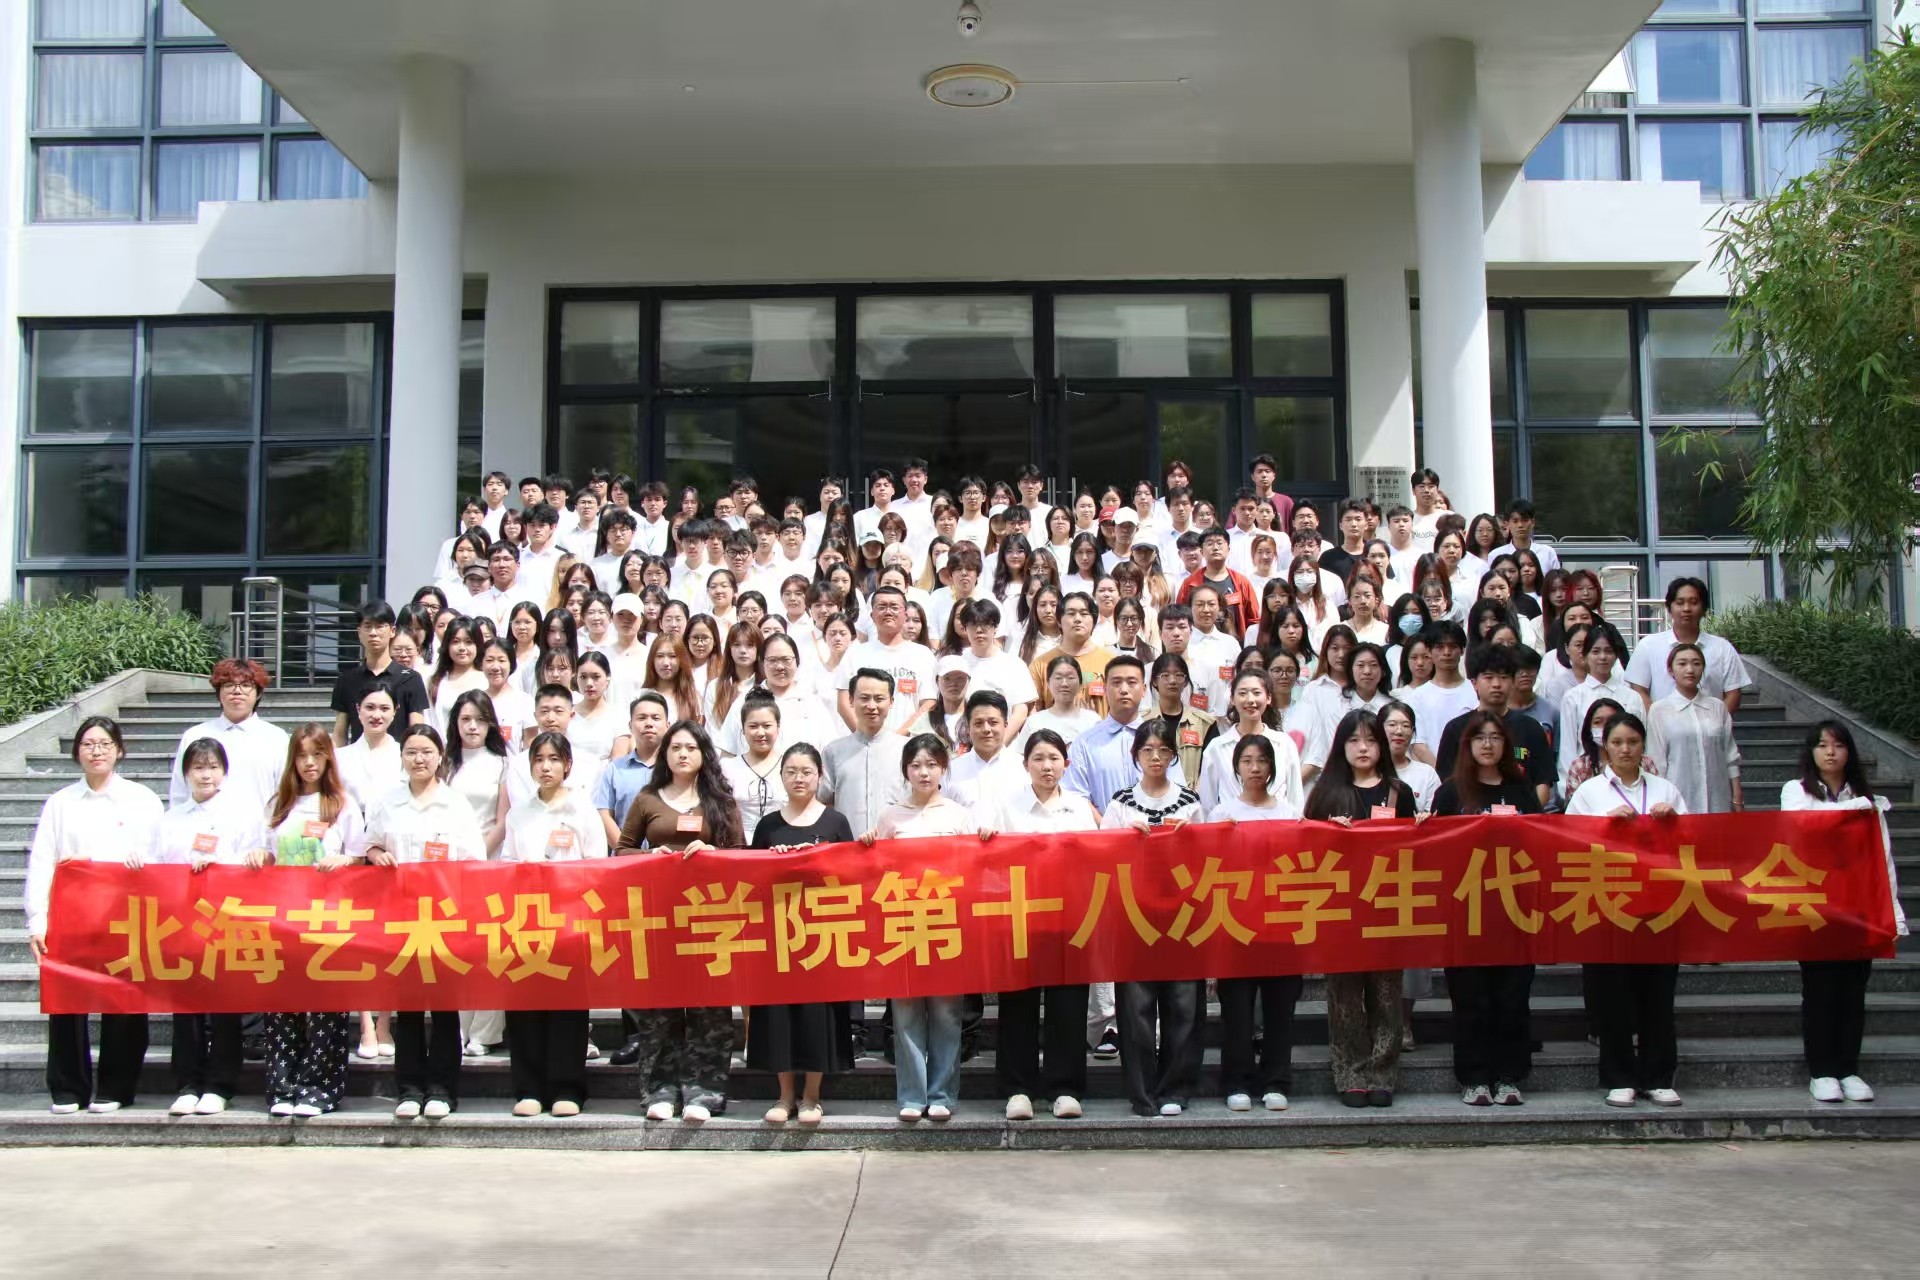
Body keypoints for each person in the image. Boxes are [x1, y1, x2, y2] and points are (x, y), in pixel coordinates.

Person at [29, 717, 164, 1114]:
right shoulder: (61, 803)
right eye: (88, 744)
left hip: (125, 914)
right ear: (77, 752)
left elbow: (162, 855)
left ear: (119, 750)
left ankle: (116, 1087)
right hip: (72, 916)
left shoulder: (141, 799)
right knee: (66, 1001)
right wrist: (37, 919)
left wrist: (143, 862)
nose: (96, 751)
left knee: (123, 1000)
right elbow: (42, 862)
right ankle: (68, 1087)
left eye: (105, 743)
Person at [617, 721, 743, 1122]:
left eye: (690, 747)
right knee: (659, 1008)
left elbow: (741, 855)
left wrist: (712, 853)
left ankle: (705, 1090)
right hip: (658, 917)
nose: (683, 754)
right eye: (675, 748)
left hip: (709, 918)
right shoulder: (647, 798)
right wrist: (648, 857)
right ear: (665, 754)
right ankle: (660, 1089)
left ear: (704, 754)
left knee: (710, 1009)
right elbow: (621, 851)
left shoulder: (720, 801)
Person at [362, 724, 489, 1118]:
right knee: (409, 1008)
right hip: (400, 919)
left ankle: (442, 1090)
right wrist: (376, 854)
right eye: (411, 752)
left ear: (439, 757)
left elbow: (474, 861)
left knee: (445, 1009)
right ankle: (409, 1089)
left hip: (445, 919)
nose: (419, 759)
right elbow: (369, 843)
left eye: (426, 752)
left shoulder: (454, 804)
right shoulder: (389, 801)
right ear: (402, 757)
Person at [1565, 711, 1688, 1109]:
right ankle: (1618, 1077)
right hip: (1607, 903)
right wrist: (1603, 825)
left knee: (1658, 996)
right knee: (1612, 996)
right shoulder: (1590, 792)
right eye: (1617, 742)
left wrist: (1673, 823)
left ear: (1643, 746)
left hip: (1658, 906)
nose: (1625, 749)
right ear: (1605, 747)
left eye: (1633, 742)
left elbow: (1692, 841)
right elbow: (1567, 842)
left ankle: (1658, 1076)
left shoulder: (1666, 789)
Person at [980, 729, 1101, 1121]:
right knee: (1018, 1005)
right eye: (1039, 758)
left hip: (1070, 919)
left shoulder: (1080, 809)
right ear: (1025, 764)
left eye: (1054, 758)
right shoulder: (1007, 807)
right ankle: (1018, 1088)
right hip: (1021, 918)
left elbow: (1096, 860)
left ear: (1066, 763)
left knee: (1069, 1005)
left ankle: (1064, 1088)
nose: (1047, 766)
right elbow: (991, 862)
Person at [1783, 721, 1906, 1103]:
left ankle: (1848, 1068)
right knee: (1820, 990)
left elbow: (1882, 855)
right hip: (1815, 905)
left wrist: (1891, 910)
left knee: (1853, 991)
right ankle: (1821, 1071)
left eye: (1838, 745)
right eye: (1822, 745)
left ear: (1849, 752)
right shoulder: (1796, 791)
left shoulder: (1865, 798)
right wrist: (1856, 810)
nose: (1830, 752)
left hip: (1857, 904)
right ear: (1812, 752)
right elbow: (1806, 828)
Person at [1305, 709, 1419, 1108]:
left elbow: (1415, 850)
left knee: (1386, 995)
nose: (1363, 748)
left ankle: (1382, 1073)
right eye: (1354, 740)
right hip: (1340, 908)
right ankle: (1350, 1072)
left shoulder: (1399, 792)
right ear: (1341, 746)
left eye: (1370, 740)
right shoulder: (1325, 792)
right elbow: (1306, 851)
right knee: (1345, 997)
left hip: (1387, 905)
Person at [864, 734, 979, 1122]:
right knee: (906, 1014)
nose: (924, 772)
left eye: (931, 764)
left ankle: (942, 1093)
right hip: (903, 925)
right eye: (916, 765)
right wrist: (868, 844)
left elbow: (973, 868)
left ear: (943, 769)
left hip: (946, 924)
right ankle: (912, 1095)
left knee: (947, 1013)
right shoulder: (890, 817)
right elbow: (874, 871)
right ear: (905, 771)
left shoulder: (958, 815)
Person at [1432, 710, 1544, 1107]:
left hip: (1514, 908)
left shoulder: (1521, 789)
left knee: (1512, 997)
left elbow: (1539, 842)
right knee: (1471, 999)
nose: (1487, 744)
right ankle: (1474, 1077)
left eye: (1495, 737)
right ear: (1467, 745)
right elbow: (1436, 851)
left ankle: (1509, 1076)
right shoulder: (1451, 792)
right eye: (1480, 737)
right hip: (1465, 909)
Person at [746, 743, 857, 1126]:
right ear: (781, 776)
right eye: (791, 771)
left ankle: (812, 1096)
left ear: (819, 776)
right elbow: (751, 879)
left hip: (821, 933)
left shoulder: (836, 822)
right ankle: (784, 1096)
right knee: (778, 1016)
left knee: (817, 1016)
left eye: (806, 771)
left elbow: (850, 876)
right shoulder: (768, 826)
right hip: (777, 934)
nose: (799, 778)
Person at [1099, 718, 1205, 1116]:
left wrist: (1189, 838)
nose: (1155, 757)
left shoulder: (1189, 802)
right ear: (1135, 755)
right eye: (1147, 750)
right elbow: (1102, 860)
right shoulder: (1121, 804)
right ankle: (1142, 1092)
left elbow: (1206, 862)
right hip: (1134, 917)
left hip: (1182, 917)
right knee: (1135, 1010)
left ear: (1174, 755)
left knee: (1183, 1006)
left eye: (1163, 750)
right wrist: (1126, 840)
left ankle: (1175, 1089)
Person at [501, 732, 609, 1118]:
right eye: (539, 759)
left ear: (568, 765)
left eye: (553, 759)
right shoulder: (519, 813)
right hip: (526, 921)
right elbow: (507, 863)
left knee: (568, 1008)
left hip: (570, 920)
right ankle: (529, 1087)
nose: (546, 767)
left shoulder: (582, 811)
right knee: (525, 1006)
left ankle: (568, 1087)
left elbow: (597, 865)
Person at [154, 738, 264, 1117]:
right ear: (186, 773)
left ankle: (220, 1084)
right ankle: (188, 1083)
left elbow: (254, 863)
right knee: (185, 1008)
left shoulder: (241, 815)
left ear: (224, 772)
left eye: (213, 767)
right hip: (181, 922)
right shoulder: (171, 819)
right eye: (198, 767)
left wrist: (218, 864)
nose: (206, 775)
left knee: (224, 1007)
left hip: (224, 921)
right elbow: (157, 867)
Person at [259, 724, 364, 1116]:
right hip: (283, 919)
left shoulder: (341, 804)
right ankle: (282, 1087)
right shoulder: (278, 805)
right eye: (302, 756)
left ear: (327, 759)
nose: (309, 763)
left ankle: (319, 1088)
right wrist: (259, 857)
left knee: (325, 1007)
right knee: (281, 1006)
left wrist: (344, 860)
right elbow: (265, 851)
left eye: (316, 755)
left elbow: (360, 856)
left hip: (327, 920)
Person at [1208, 734, 1303, 1112]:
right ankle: (1237, 1081)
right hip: (1235, 924)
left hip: (1281, 923)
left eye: (1262, 760)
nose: (1255, 768)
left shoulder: (1290, 813)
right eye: (1247, 761)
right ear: (1236, 767)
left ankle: (1276, 1080)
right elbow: (1211, 873)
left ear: (1273, 767)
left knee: (1280, 1008)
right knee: (1237, 1011)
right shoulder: (1222, 815)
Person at [166, 658, 289, 817]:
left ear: (258, 693)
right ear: (219, 692)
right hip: (204, 828)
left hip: (259, 828)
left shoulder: (276, 738)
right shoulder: (196, 735)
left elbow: (285, 791)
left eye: (246, 685)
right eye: (229, 685)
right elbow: (179, 792)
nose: (237, 691)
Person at [1063, 655, 1185, 814]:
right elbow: (1076, 797)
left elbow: (1177, 791)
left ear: (1144, 689)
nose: (1124, 690)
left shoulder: (1162, 740)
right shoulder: (1084, 743)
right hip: (1103, 829)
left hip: (1155, 827)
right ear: (1105, 689)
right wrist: (1108, 825)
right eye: (1116, 683)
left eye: (1131, 682)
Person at [1625, 577, 1750, 714]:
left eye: (1694, 602)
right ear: (1669, 608)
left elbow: (1733, 693)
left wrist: (1717, 722)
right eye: (1680, 603)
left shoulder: (1722, 648)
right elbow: (1639, 690)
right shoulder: (1648, 645)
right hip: (1661, 725)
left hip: (1711, 725)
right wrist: (1658, 721)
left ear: (1704, 609)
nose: (1686, 608)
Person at [1645, 642, 1743, 816]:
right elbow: (1657, 761)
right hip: (1677, 798)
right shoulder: (1659, 710)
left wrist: (1737, 796)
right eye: (1682, 664)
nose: (1690, 669)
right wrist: (1660, 800)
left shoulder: (1717, 707)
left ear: (1703, 668)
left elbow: (1730, 755)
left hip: (1718, 796)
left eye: (1696, 663)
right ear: (1671, 670)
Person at [1195, 669, 1305, 815]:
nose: (1250, 700)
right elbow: (1208, 805)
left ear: (1268, 698)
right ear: (1232, 699)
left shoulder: (1284, 744)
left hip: (1278, 825)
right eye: (1242, 693)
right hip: (1232, 825)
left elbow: (1296, 800)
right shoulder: (1216, 748)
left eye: (1257, 693)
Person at [330, 601, 430, 745]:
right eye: (367, 626)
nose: (373, 633)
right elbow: (340, 734)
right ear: (359, 632)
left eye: (379, 626)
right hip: (359, 757)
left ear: (392, 631)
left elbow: (417, 731)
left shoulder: (410, 678)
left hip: (397, 757)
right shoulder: (346, 680)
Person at [721, 690, 787, 841]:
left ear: (778, 727)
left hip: (782, 847)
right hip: (738, 846)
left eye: (767, 726)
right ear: (743, 729)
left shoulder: (789, 766)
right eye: (753, 726)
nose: (760, 732)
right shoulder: (727, 768)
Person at [1013, 654, 1101, 752]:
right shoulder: (1034, 722)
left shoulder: (1093, 721)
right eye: (1058, 678)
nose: (1064, 683)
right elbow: (1021, 756)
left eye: (1070, 678)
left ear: (1080, 684)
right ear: (1048, 683)